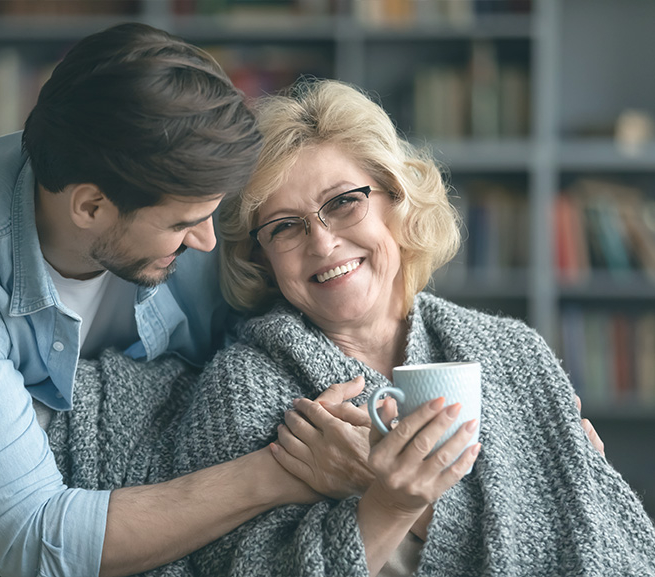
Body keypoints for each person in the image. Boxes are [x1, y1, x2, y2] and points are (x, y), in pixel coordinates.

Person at [46, 78, 655, 577]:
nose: (323, 241)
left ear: (397, 198)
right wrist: (388, 505)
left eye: (344, 202)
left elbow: (613, 544)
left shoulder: (512, 353)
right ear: (261, 258)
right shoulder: (247, 388)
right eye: (285, 226)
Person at [0, 23, 352, 577]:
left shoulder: (180, 180)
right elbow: (34, 543)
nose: (209, 241)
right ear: (89, 207)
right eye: (185, 223)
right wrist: (283, 471)